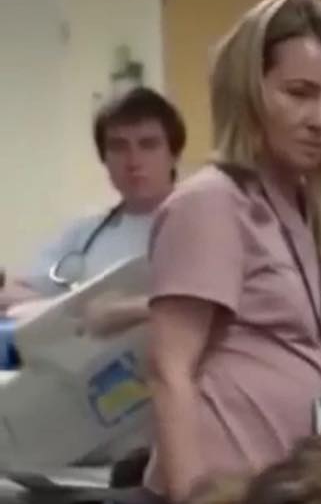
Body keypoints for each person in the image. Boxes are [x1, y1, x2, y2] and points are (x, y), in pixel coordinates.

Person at [140, 0, 321, 504]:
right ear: (249, 90)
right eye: (299, 92)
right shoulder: (213, 201)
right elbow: (168, 369)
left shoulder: (308, 205)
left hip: (278, 502)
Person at [0, 87, 186, 331]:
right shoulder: (85, 232)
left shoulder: (198, 224)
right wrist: (72, 308)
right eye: (118, 147)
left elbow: (196, 306)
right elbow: (21, 291)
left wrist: (68, 308)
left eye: (148, 145)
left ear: (173, 154)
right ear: (104, 158)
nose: (133, 161)